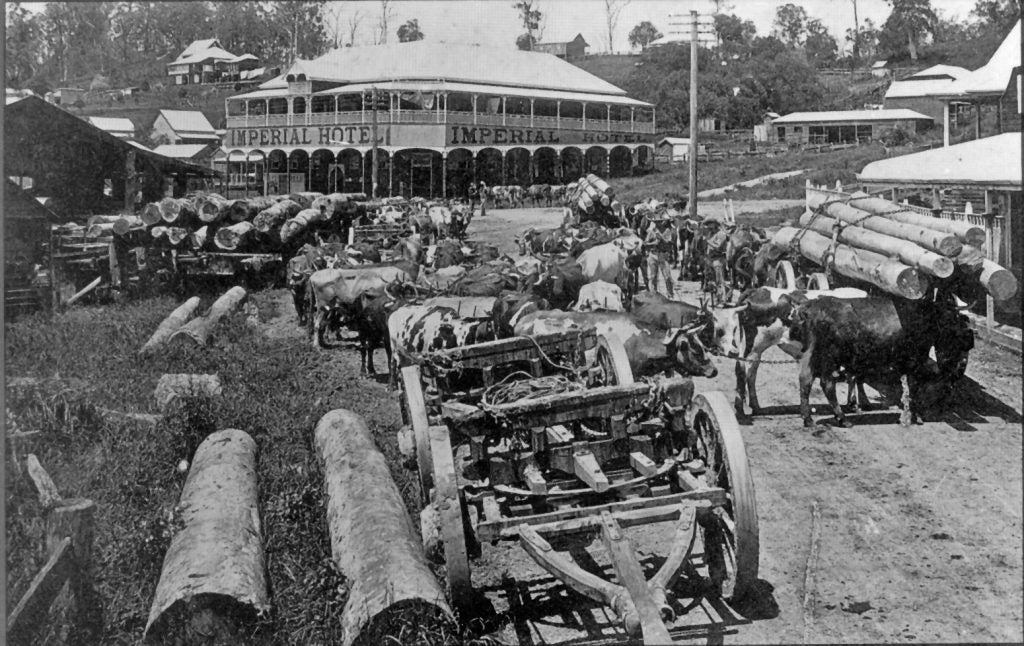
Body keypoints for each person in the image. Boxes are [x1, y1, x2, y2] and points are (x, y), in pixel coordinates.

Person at [644, 214, 676, 297]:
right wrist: (653, 243)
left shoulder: (667, 231)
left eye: (660, 222)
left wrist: (660, 237)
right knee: (653, 276)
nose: (658, 223)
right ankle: (653, 294)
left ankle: (670, 294)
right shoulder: (651, 231)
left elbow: (668, 242)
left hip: (663, 254)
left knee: (667, 276)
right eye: (656, 222)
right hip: (653, 254)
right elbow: (645, 243)